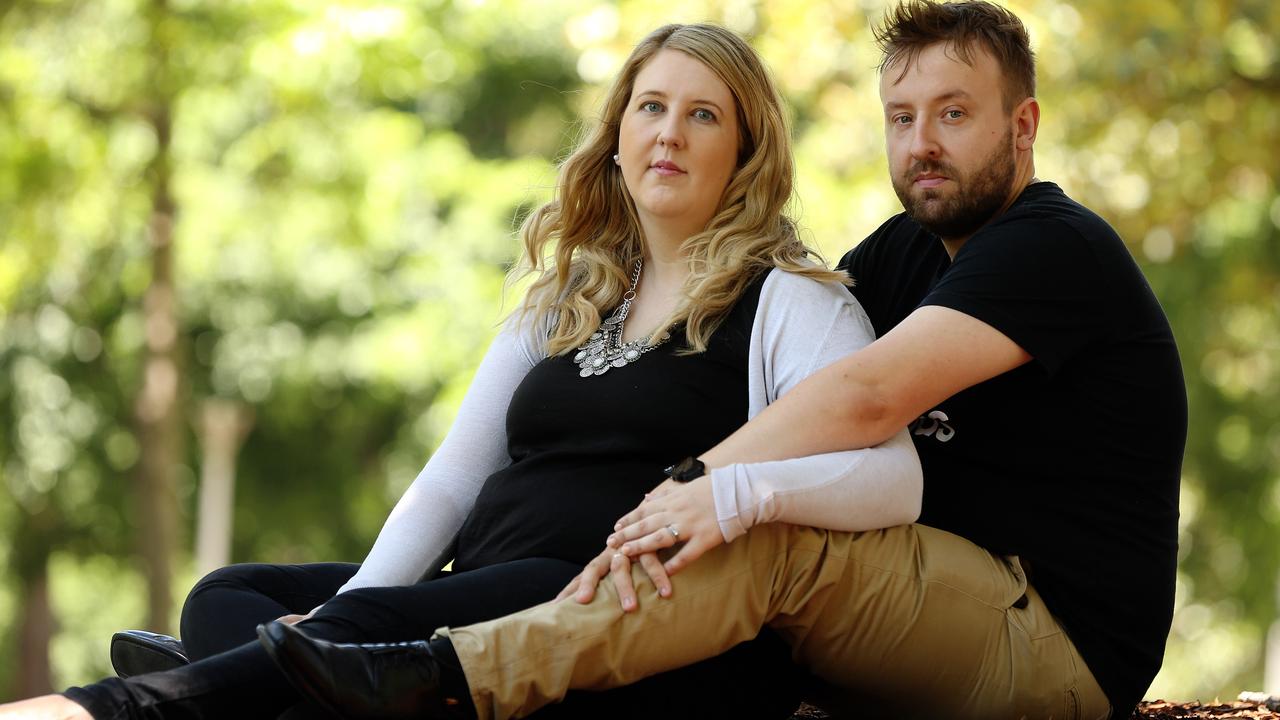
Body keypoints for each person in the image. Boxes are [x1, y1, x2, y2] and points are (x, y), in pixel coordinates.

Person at [254, 2, 1187, 719]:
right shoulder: (901, 250)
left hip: (1052, 637)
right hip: (928, 587)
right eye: (901, 117)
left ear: (1023, 127)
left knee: (761, 531)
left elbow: (861, 397)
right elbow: (807, 363)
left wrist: (696, 482)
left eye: (953, 115)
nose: (922, 144)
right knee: (241, 598)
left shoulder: (1054, 245)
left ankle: (452, 680)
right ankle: (315, 664)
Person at [0, 22, 924, 720]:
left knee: (314, 636)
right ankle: (324, 685)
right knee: (228, 596)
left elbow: (895, 479)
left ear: (746, 151)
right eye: (651, 107)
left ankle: (111, 711)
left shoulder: (791, 301)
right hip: (480, 581)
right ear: (616, 133)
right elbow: (452, 478)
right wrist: (353, 616)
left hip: (609, 612)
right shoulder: (570, 294)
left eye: (702, 115)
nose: (669, 134)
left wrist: (736, 498)